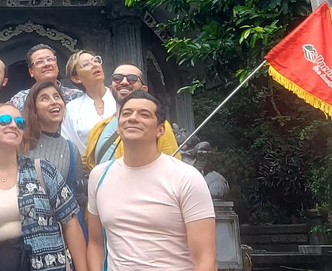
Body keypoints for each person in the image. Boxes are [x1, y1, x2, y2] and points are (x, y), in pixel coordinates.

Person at [0, 104, 88, 271]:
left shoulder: (43, 171)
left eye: (20, 123)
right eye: (5, 121)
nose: (13, 125)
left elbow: (71, 224)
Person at [87, 91, 216, 271]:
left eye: (144, 114)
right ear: (118, 126)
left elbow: (205, 260)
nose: (133, 118)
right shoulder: (99, 175)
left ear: (160, 130)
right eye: (126, 113)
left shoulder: (186, 177)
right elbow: (95, 243)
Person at [83, 64, 180, 174]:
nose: (124, 82)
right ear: (110, 89)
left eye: (132, 79)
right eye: (117, 78)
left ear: (144, 89)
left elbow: (173, 168)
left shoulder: (157, 125)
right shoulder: (98, 128)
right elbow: (88, 167)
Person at [22, 81, 88, 237]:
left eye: (57, 96)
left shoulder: (71, 149)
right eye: (44, 98)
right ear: (34, 110)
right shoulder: (20, 145)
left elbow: (76, 197)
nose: (53, 101)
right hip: (22, 233)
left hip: (58, 235)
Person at [60, 51, 116, 155]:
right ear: (76, 78)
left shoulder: (120, 98)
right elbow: (70, 146)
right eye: (86, 64)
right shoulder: (72, 109)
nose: (94, 65)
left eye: (96, 60)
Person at [10, 44, 83, 112]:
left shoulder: (77, 96)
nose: (46, 64)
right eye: (39, 62)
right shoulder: (20, 100)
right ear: (31, 71)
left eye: (50, 59)